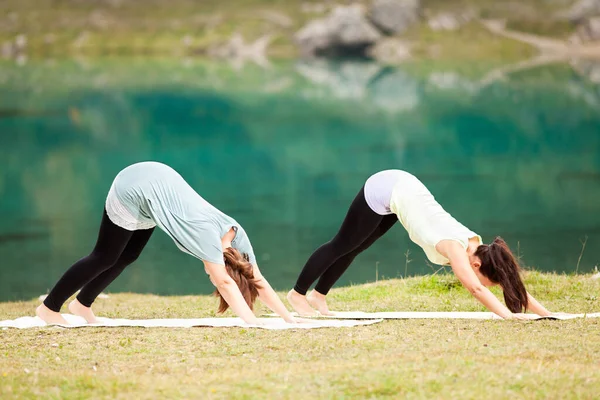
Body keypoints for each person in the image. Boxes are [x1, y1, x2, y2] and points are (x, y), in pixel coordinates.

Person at [36, 161, 298, 325]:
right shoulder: (208, 240)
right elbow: (226, 283)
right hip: (133, 187)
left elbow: (257, 280)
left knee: (127, 256)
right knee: (104, 256)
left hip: (156, 187)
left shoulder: (238, 238)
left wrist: (288, 318)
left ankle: (81, 305)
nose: (210, 277)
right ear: (223, 266)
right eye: (212, 276)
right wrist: (252, 323)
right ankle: (49, 307)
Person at [287, 169, 553, 320]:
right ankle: (297, 294)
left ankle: (318, 296)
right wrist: (509, 318)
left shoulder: (479, 248)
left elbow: (508, 280)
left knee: (356, 248)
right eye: (487, 281)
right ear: (476, 264)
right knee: (340, 244)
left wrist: (546, 315)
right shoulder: (456, 247)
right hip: (385, 188)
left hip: (402, 191)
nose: (486, 285)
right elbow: (474, 288)